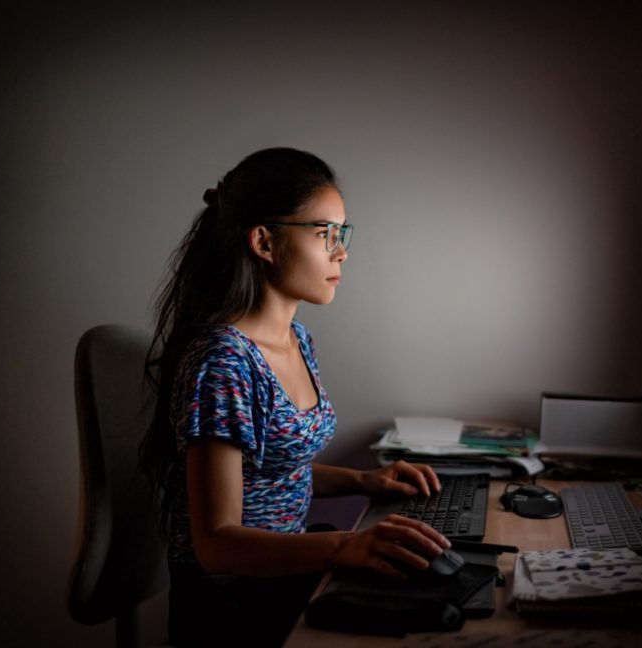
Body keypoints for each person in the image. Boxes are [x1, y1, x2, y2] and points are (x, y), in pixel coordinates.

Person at [139, 147, 449, 647]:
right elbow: (216, 543)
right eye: (325, 233)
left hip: (281, 573)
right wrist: (345, 546)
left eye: (342, 233)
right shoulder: (224, 363)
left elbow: (269, 470)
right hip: (232, 602)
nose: (341, 251)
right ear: (264, 241)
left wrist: (365, 481)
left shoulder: (297, 340)